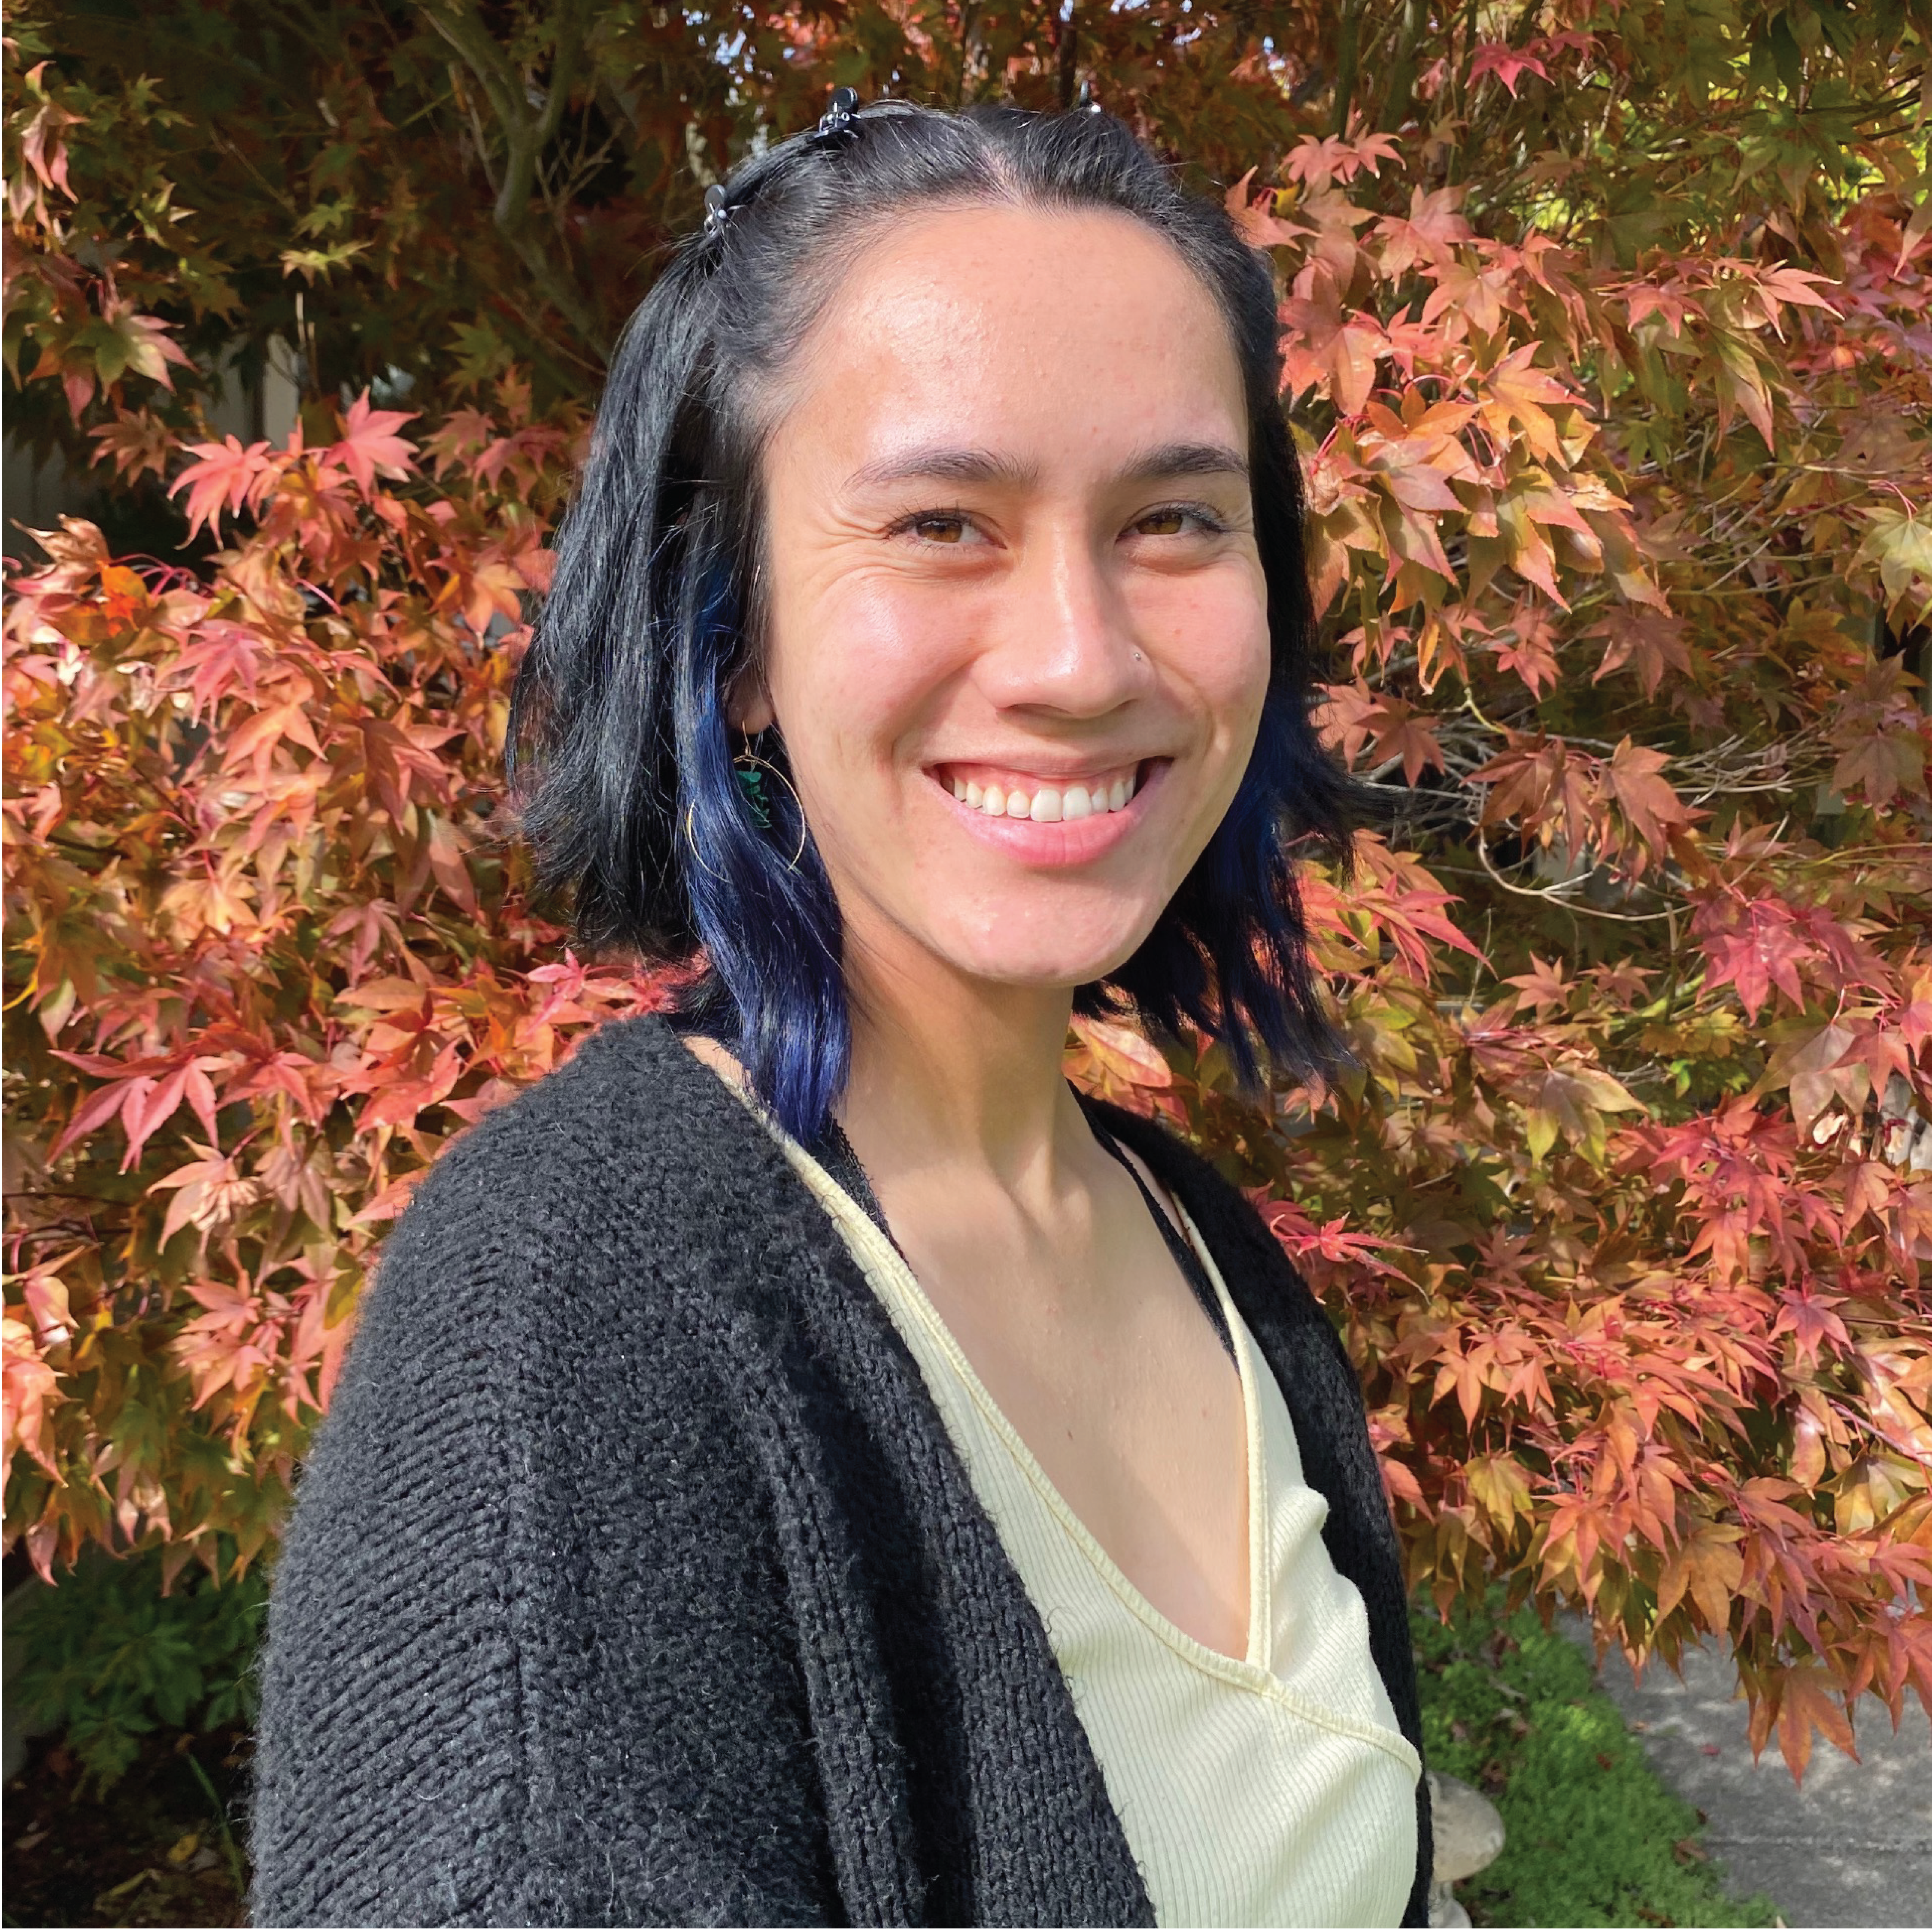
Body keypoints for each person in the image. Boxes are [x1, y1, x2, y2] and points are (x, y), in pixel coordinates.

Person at [250, 94, 1434, 1929]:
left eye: (1175, 521)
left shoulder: (1215, 1260)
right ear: (731, 642)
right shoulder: (581, 1298)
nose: (1080, 657)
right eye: (946, 521)